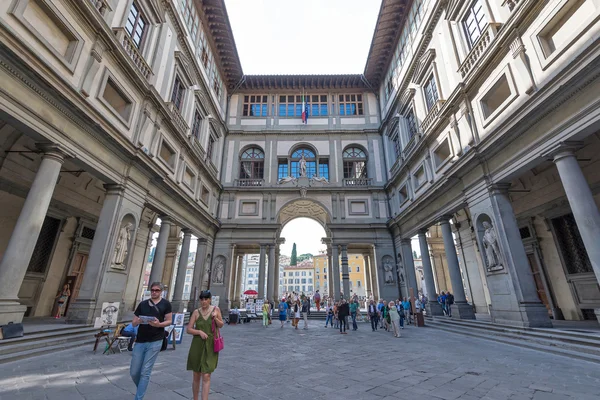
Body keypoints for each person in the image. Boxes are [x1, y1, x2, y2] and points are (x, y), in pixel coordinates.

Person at [130, 282, 172, 400]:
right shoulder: (142, 304)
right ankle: (141, 389)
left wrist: (159, 325)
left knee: (145, 371)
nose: (154, 292)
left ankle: (138, 398)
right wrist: (137, 321)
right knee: (134, 372)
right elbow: (133, 322)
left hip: (156, 340)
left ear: (161, 291)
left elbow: (169, 321)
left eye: (157, 290)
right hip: (140, 340)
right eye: (152, 290)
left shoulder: (166, 304)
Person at [187, 290, 224, 400]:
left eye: (206, 299)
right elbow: (188, 329)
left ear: (210, 299)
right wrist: (199, 332)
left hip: (211, 345)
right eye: (202, 299)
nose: (204, 302)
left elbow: (221, 325)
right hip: (197, 344)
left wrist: (215, 318)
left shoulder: (216, 310)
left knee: (207, 375)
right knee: (196, 374)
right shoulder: (196, 312)